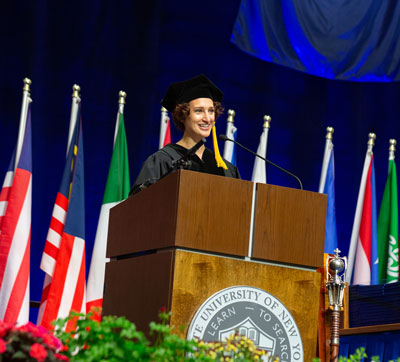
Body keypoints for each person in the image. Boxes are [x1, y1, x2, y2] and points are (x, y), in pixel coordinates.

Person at [130, 74, 240, 195]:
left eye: (211, 111)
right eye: (199, 111)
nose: (207, 118)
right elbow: (139, 207)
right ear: (182, 115)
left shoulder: (226, 170)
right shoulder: (163, 161)